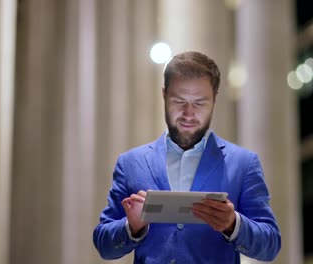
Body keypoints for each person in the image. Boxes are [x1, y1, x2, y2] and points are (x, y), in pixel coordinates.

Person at [93, 51, 281, 263]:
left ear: (214, 99)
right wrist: (131, 227)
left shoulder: (244, 164)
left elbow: (270, 245)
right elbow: (104, 244)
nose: (189, 114)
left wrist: (233, 224)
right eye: (179, 101)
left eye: (200, 103)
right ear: (164, 95)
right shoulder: (130, 164)